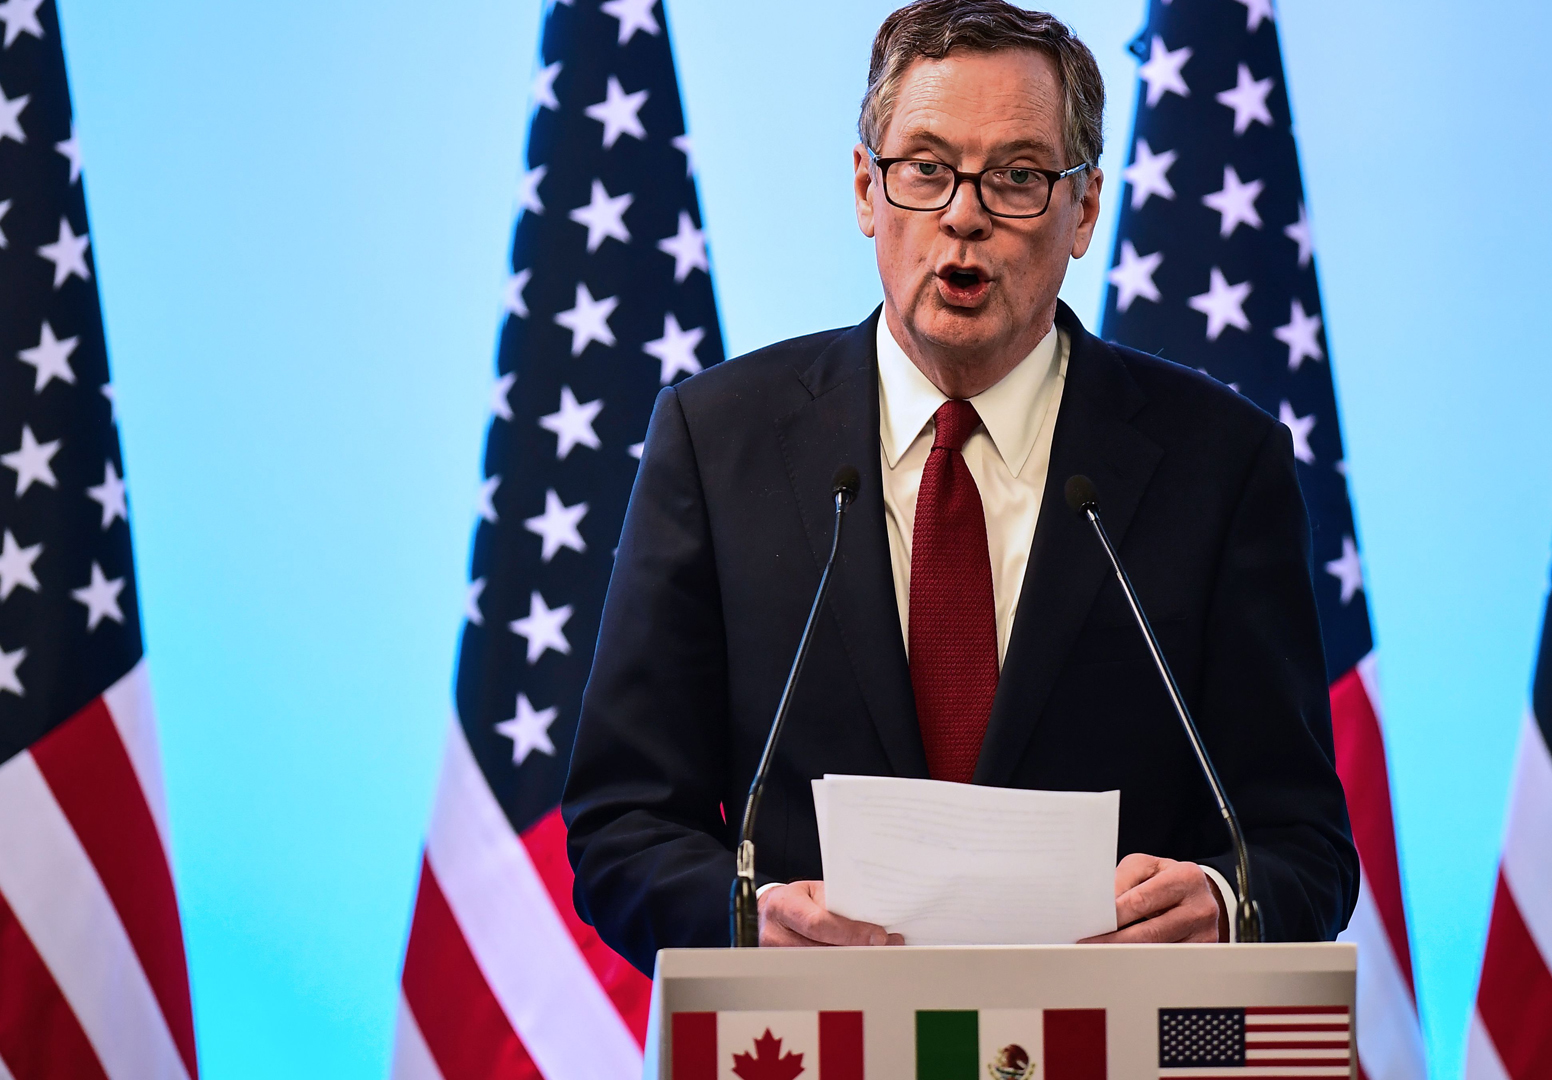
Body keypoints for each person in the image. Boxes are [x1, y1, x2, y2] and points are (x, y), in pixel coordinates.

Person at [563, 0, 1355, 968]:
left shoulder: (1221, 464)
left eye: (1019, 177)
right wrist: (743, 921)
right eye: (925, 170)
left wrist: (1227, 903)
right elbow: (621, 824)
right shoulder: (717, 443)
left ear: (1085, 211)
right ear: (865, 189)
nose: (965, 214)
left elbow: (1305, 844)